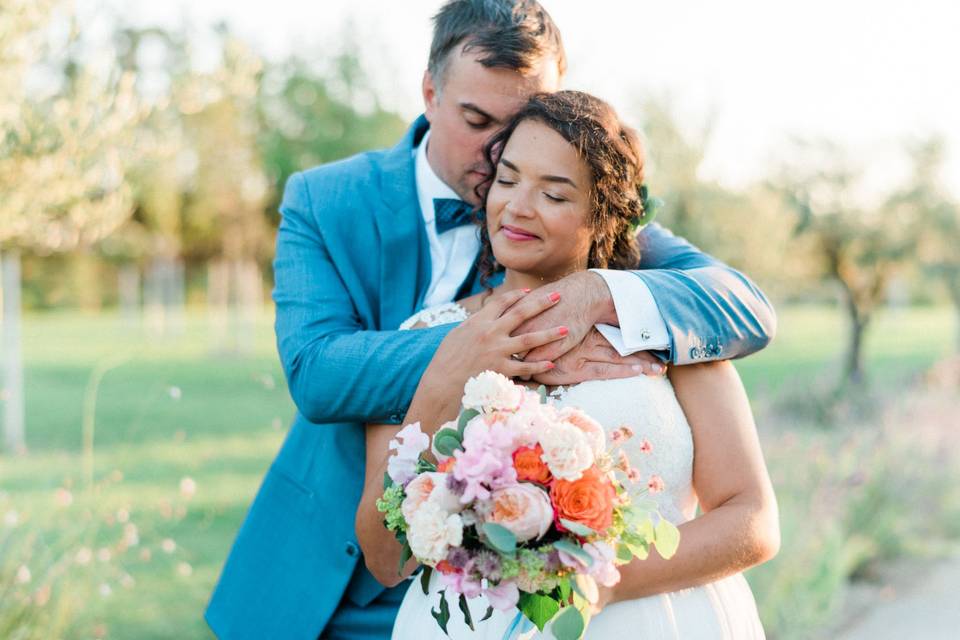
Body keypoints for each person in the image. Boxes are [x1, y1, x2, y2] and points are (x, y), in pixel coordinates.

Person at [205, 2, 776, 639]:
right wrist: (474, 351)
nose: (503, 153)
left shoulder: (629, 271)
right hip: (337, 585)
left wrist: (595, 293)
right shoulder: (326, 200)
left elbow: (740, 302)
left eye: (530, 129)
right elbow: (316, 373)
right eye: (480, 123)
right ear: (430, 92)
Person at [356, 90, 780, 639]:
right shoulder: (424, 337)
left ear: (602, 216)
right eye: (507, 181)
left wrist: (605, 583)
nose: (518, 207)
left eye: (554, 194)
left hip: (649, 619)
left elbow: (753, 519)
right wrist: (444, 376)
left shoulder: (660, 329)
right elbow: (384, 558)